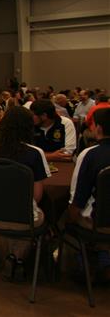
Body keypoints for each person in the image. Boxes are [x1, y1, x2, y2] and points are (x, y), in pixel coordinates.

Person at [0, 106, 51, 281]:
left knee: (16, 215)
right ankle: (19, 258)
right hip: (24, 218)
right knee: (41, 213)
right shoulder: (35, 153)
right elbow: (37, 195)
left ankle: (12, 257)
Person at [68, 108, 110, 280]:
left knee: (64, 217)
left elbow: (78, 197)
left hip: (98, 222)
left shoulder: (90, 154)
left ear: (98, 128)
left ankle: (84, 261)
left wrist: (71, 215)